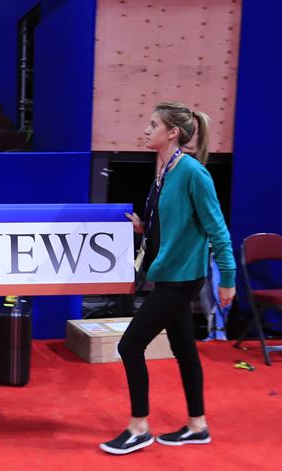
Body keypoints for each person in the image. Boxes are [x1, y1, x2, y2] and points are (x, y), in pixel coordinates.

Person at [99, 102, 236, 455]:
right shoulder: (165, 171)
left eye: (152, 124)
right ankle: (197, 425)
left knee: (129, 346)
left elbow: (217, 227)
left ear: (172, 133)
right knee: (185, 351)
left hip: (183, 279)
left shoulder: (192, 172)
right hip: (170, 275)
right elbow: (175, 222)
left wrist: (228, 278)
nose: (146, 130)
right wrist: (144, 228)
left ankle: (138, 427)